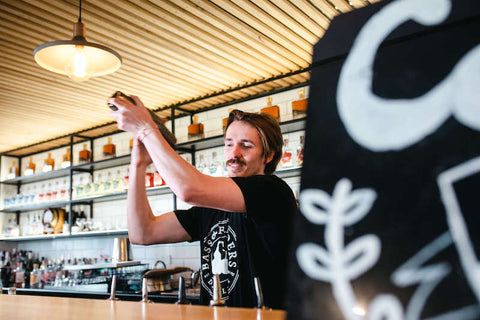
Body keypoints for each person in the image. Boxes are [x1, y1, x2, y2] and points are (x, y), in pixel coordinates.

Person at [108, 94, 297, 309]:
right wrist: (138, 165)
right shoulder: (210, 209)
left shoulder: (273, 191)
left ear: (268, 155)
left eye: (246, 146)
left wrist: (146, 128)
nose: (234, 154)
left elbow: (188, 189)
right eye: (229, 144)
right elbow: (143, 233)